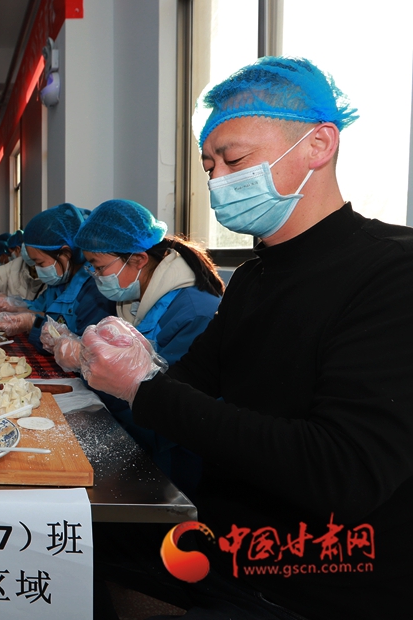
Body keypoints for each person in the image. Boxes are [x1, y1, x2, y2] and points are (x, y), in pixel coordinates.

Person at [75, 57, 408, 619]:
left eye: (235, 160)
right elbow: (188, 386)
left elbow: (342, 471)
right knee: (69, 548)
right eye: (210, 166)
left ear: (319, 144)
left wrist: (145, 388)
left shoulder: (390, 273)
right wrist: (141, 363)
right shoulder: (254, 277)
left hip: (315, 580)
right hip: (222, 547)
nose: (219, 181)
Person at [47, 199, 223, 492]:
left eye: (99, 267)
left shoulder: (194, 313)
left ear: (139, 259)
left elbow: (170, 406)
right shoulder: (134, 299)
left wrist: (87, 361)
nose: (94, 276)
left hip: (177, 461)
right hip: (141, 433)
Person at [0, 204, 113, 342]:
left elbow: (83, 346)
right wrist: (13, 306)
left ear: (65, 253)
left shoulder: (95, 291)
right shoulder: (59, 281)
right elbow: (40, 308)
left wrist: (31, 324)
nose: (38, 270)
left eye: (40, 263)